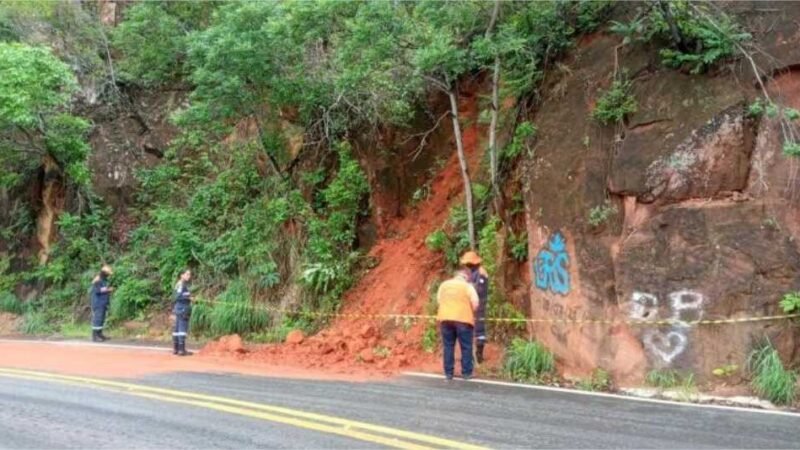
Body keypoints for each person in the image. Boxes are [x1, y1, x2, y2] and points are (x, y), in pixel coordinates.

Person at [436, 270, 479, 380]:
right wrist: (472, 311)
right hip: (463, 319)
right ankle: (466, 373)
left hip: (445, 319)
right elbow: (475, 303)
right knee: (466, 346)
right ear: (465, 277)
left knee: (448, 346)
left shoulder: (444, 285)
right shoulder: (467, 286)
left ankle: (448, 373)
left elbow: (439, 300)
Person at [460, 251, 489, 364]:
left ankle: (479, 355)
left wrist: (468, 288)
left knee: (479, 330)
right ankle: (470, 355)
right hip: (471, 304)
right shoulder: (474, 272)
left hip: (479, 304)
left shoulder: (481, 273)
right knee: (468, 328)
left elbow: (479, 289)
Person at [90, 265, 114, 342]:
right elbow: (98, 291)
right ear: (104, 273)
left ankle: (100, 334)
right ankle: (95, 336)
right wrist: (108, 289)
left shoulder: (104, 280)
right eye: (108, 273)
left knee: (101, 319)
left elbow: (102, 289)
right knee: (98, 319)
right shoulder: (98, 280)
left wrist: (107, 289)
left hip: (103, 302)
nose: (109, 275)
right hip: (98, 303)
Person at [173, 269, 193, 356]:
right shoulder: (181, 284)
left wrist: (189, 297)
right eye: (187, 274)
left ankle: (176, 349)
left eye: (189, 274)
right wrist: (189, 298)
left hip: (179, 308)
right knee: (182, 329)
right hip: (182, 308)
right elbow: (177, 297)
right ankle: (181, 350)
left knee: (177, 329)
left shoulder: (180, 284)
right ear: (182, 275)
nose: (189, 276)